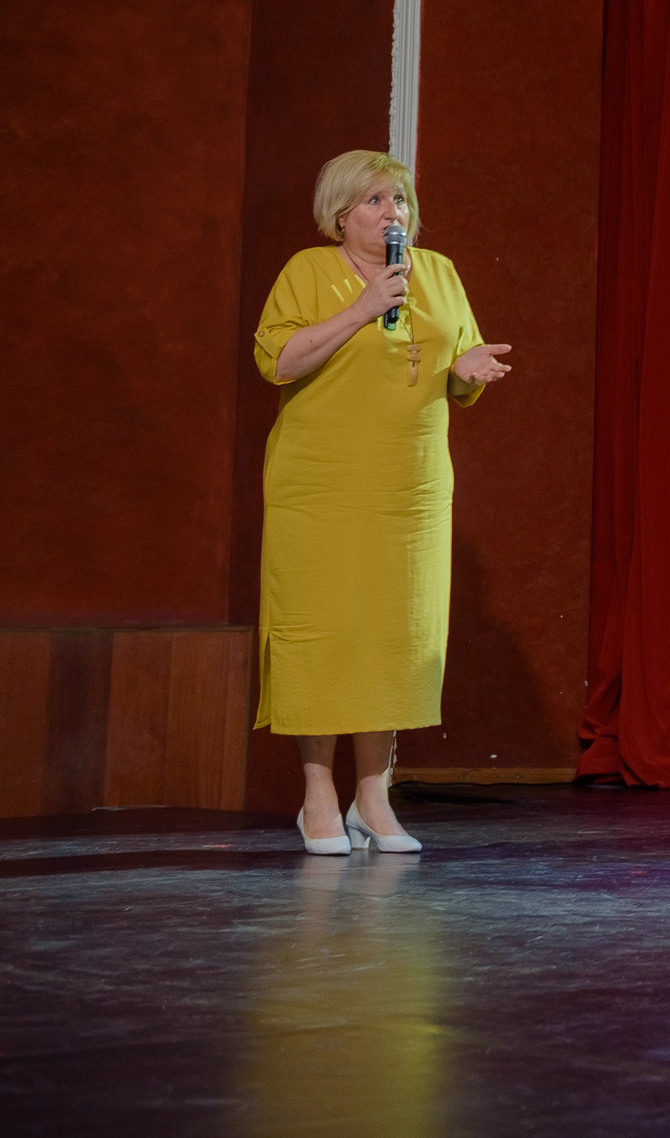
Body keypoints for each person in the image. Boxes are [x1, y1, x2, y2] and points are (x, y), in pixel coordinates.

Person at [254, 150, 514, 856]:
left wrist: (467, 372)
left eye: (397, 199)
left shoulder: (438, 273)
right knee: (324, 630)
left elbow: (458, 368)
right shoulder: (308, 272)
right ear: (340, 214)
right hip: (322, 485)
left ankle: (374, 797)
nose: (390, 212)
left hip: (410, 490)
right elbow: (277, 360)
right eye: (373, 200)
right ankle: (317, 798)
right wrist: (362, 309)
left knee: (390, 633)